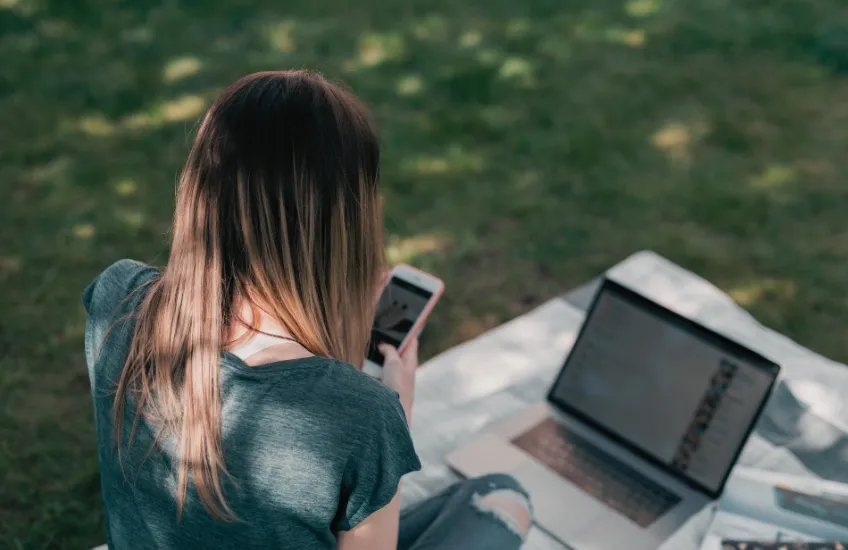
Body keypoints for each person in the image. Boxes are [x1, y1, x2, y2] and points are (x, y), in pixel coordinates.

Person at [82, 70, 532, 550]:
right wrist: (395, 416)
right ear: (346, 222)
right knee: (502, 500)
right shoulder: (362, 414)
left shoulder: (117, 298)